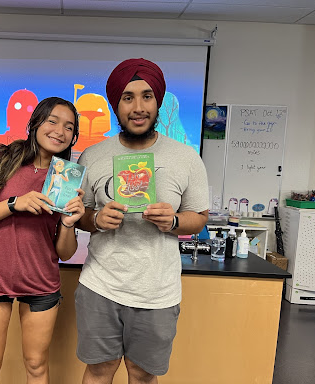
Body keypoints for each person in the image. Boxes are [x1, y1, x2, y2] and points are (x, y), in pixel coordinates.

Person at [75, 58, 209, 384]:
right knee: (99, 370)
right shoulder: (91, 156)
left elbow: (200, 217)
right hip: (100, 285)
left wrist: (174, 221)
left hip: (158, 291)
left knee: (143, 375)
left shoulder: (186, 157)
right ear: (115, 105)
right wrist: (97, 218)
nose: (138, 107)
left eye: (147, 96)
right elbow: (78, 215)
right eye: (128, 97)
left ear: (158, 101)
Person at [0, 97, 85, 384]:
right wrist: (13, 203)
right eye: (52, 121)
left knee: (36, 366)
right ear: (35, 123)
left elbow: (65, 253)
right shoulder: (0, 157)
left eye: (69, 127)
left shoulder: (66, 178)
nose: (60, 131)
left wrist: (68, 224)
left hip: (41, 280)